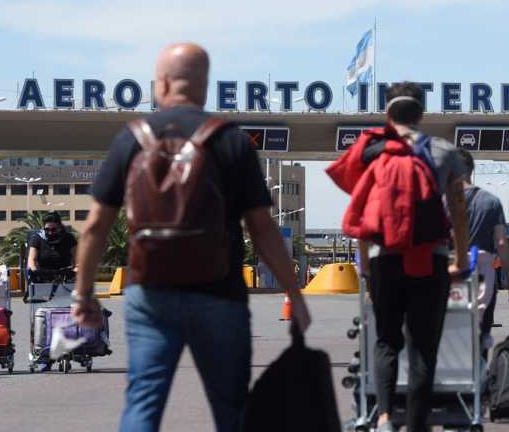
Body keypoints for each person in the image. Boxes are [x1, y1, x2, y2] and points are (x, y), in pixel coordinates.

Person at [70, 43, 310, 431]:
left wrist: (83, 296)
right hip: (220, 293)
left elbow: (96, 225)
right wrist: (294, 295)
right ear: (204, 84)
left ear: (162, 83)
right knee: (232, 409)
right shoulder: (230, 139)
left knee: (143, 401)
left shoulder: (132, 138)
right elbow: (262, 228)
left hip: (149, 292)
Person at [343, 82, 470, 432]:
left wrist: (366, 268)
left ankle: (384, 417)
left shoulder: (371, 150)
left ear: (387, 113)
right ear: (422, 113)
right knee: (423, 348)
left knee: (386, 340)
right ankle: (416, 424)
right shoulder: (444, 151)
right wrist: (460, 259)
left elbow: (361, 213)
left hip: (384, 258)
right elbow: (458, 210)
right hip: (431, 258)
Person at [458, 149, 509, 358]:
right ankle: (479, 372)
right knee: (481, 336)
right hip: (483, 278)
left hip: (449, 276)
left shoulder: (440, 201)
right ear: (471, 170)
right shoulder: (490, 202)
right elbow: (502, 244)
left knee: (448, 335)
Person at [27, 212, 77, 277]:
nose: (50, 233)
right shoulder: (37, 238)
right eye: (47, 229)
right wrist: (35, 273)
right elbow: (32, 260)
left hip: (65, 276)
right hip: (43, 276)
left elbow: (77, 259)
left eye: (54, 229)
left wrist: (76, 271)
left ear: (60, 227)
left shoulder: (69, 238)